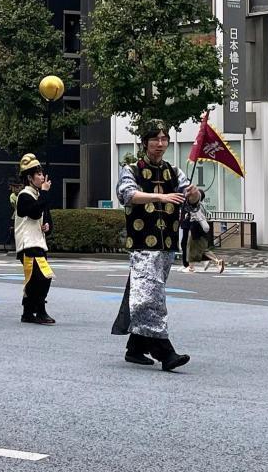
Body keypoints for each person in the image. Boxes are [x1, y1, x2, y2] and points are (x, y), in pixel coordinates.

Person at [112, 119, 199, 372]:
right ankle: (165, 352)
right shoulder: (132, 169)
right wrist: (160, 196)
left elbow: (191, 200)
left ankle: (135, 347)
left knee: (148, 293)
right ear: (145, 142)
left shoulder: (174, 172)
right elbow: (127, 194)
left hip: (168, 245)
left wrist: (194, 194)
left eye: (164, 139)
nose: (160, 144)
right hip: (142, 244)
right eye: (155, 139)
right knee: (151, 296)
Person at [13, 154, 55, 325]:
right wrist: (44, 193)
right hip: (28, 244)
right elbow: (35, 212)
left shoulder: (38, 195)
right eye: (37, 174)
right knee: (43, 277)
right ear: (29, 178)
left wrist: (48, 226)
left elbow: (46, 217)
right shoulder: (24, 195)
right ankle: (40, 311)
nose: (41, 177)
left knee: (34, 279)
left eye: (41, 173)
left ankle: (28, 312)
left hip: (38, 243)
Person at [183, 190, 224, 273]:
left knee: (191, 247)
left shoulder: (195, 205)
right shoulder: (202, 205)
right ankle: (215, 261)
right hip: (203, 228)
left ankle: (191, 267)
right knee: (202, 248)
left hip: (195, 227)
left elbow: (187, 208)